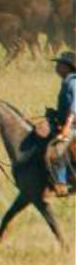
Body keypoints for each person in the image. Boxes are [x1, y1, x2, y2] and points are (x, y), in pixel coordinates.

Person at [39, 50, 76, 195]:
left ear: (67, 66)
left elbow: (74, 107)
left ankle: (61, 182)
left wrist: (66, 126)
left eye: (59, 64)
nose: (57, 67)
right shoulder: (67, 81)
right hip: (68, 122)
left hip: (73, 124)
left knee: (57, 148)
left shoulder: (72, 81)